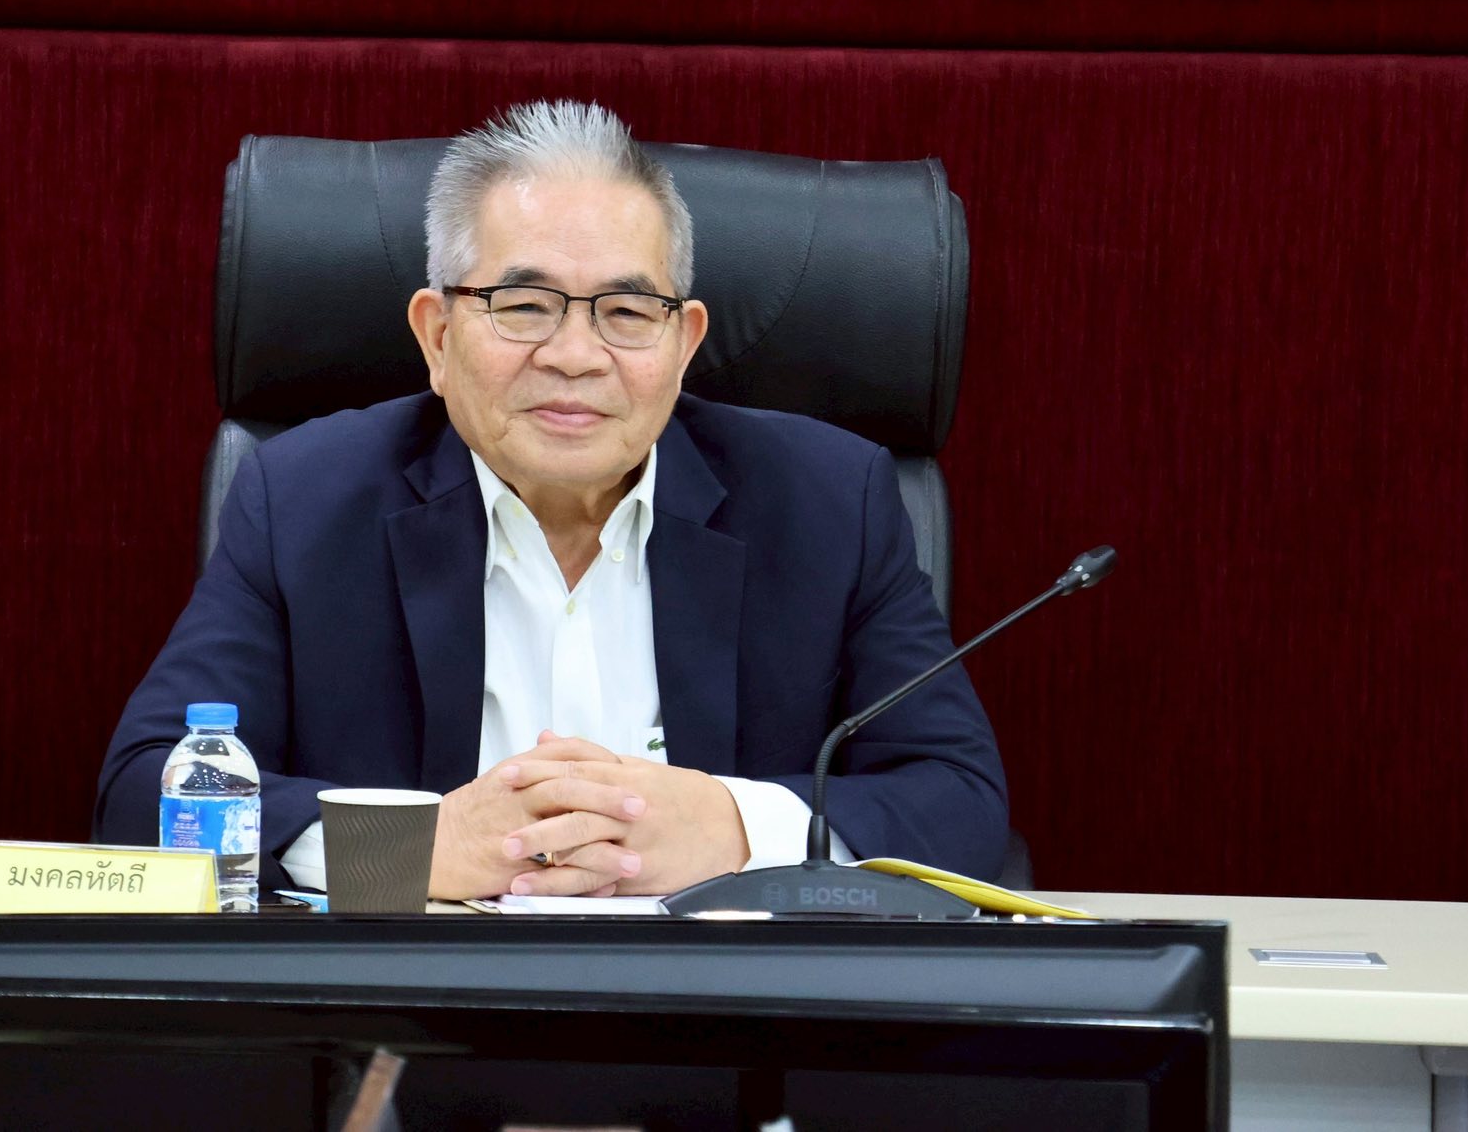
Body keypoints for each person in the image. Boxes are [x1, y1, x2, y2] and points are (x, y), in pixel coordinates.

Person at [94, 100, 1006, 899]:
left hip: (724, 1014)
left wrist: (733, 829)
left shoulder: (829, 503)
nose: (575, 356)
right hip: (417, 1006)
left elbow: (961, 802)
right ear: (437, 336)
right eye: (524, 305)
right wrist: (411, 848)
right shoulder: (304, 499)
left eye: (627, 312)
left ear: (684, 345)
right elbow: (145, 793)